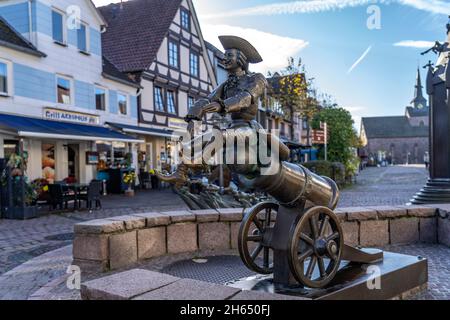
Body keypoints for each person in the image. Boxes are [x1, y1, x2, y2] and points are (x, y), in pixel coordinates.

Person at [157, 36, 289, 187]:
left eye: (228, 55)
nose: (224, 58)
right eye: (224, 55)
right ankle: (180, 173)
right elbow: (207, 100)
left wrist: (222, 105)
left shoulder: (256, 79)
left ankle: (201, 162)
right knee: (192, 144)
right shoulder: (226, 85)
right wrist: (195, 116)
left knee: (218, 136)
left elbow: (245, 98)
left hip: (249, 128)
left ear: (240, 59)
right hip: (234, 127)